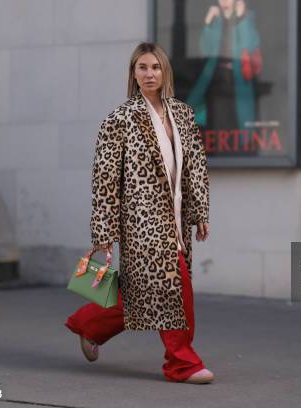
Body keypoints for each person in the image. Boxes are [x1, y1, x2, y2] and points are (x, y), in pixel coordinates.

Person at [64, 42, 213, 384]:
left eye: (155, 67)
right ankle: (182, 363)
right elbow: (104, 181)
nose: (149, 73)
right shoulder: (120, 119)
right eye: (142, 67)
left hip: (175, 218)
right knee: (174, 287)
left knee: (144, 292)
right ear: (133, 73)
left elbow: (196, 168)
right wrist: (103, 235)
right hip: (140, 223)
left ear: (165, 72)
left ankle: (88, 324)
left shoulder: (184, 114)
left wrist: (200, 210)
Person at [186, 0, 262, 132]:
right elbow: (205, 49)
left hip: (237, 76)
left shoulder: (246, 17)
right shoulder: (216, 21)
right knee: (210, 115)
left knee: (238, 118)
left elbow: (249, 44)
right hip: (216, 77)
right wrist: (208, 23)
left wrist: (241, 18)